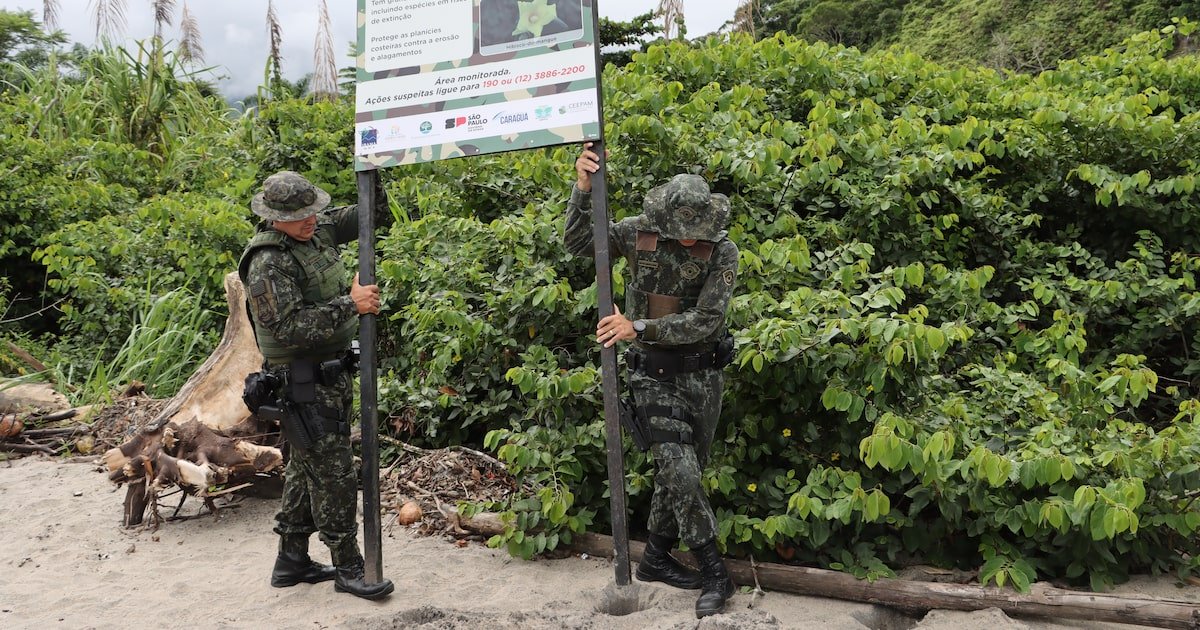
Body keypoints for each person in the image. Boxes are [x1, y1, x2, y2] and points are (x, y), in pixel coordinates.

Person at [562, 144, 738, 618]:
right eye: (680, 233)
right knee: (678, 469)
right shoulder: (639, 233)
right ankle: (715, 572)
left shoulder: (723, 251)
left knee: (681, 475)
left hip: (702, 377)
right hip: (653, 375)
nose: (687, 241)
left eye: (694, 234)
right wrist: (582, 188)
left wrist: (637, 326)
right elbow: (581, 245)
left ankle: (656, 557)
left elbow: (706, 319)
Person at [237, 170, 395, 600]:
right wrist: (352, 303)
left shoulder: (318, 231)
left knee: (308, 469)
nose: (311, 220)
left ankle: (291, 559)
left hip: (331, 374)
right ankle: (349, 567)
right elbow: (288, 328)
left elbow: (372, 214)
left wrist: (375, 167)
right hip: (301, 383)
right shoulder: (268, 262)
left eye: (313, 211)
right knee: (334, 475)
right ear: (275, 218)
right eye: (300, 216)